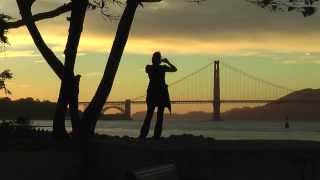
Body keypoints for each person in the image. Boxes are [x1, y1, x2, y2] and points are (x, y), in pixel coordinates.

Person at [139, 51, 177, 139]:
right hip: (161, 93)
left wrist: (160, 62)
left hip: (152, 92)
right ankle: (156, 136)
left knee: (149, 114)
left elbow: (150, 69)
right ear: (159, 59)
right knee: (159, 116)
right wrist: (167, 62)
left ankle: (143, 135)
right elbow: (174, 69)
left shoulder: (149, 67)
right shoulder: (162, 68)